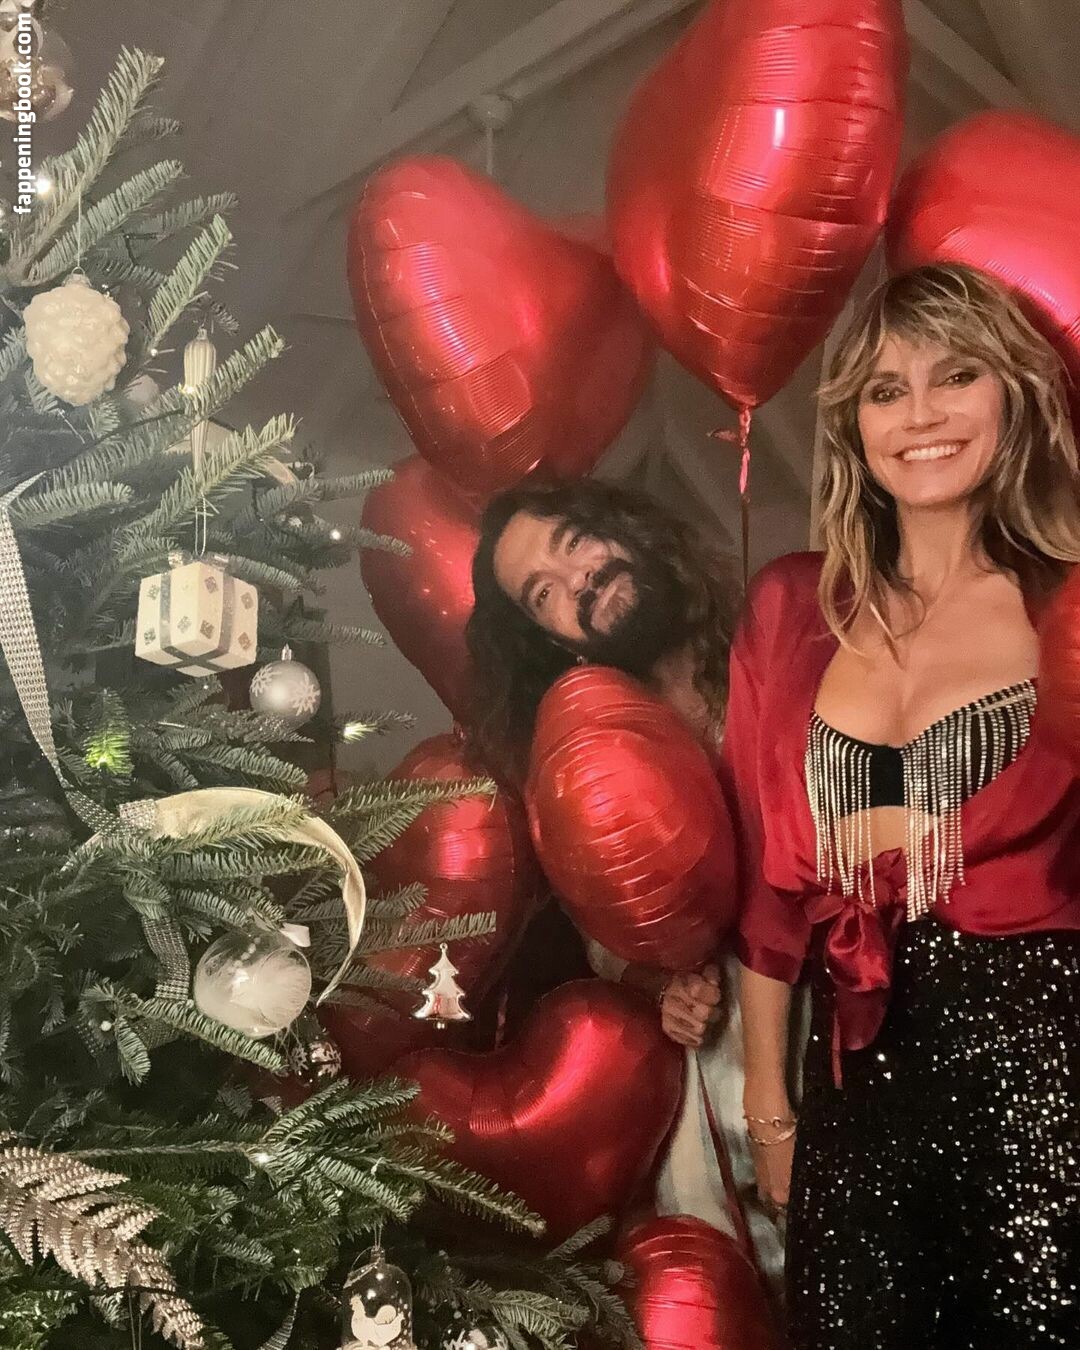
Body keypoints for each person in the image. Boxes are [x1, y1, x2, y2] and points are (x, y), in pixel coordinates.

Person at [726, 262, 1080, 1348]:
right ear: (854, 425)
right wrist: (769, 1114)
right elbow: (768, 905)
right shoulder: (790, 607)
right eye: (887, 390)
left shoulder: (1069, 605)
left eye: (956, 376)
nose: (920, 414)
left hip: (1046, 1075)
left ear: (1014, 396)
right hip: (854, 1087)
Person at [464, 479, 788, 1287]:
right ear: (550, 638)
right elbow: (600, 936)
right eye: (542, 594)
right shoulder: (586, 750)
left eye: (574, 543)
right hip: (720, 1056)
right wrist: (661, 986)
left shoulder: (774, 642)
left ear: (627, 529)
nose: (576, 581)